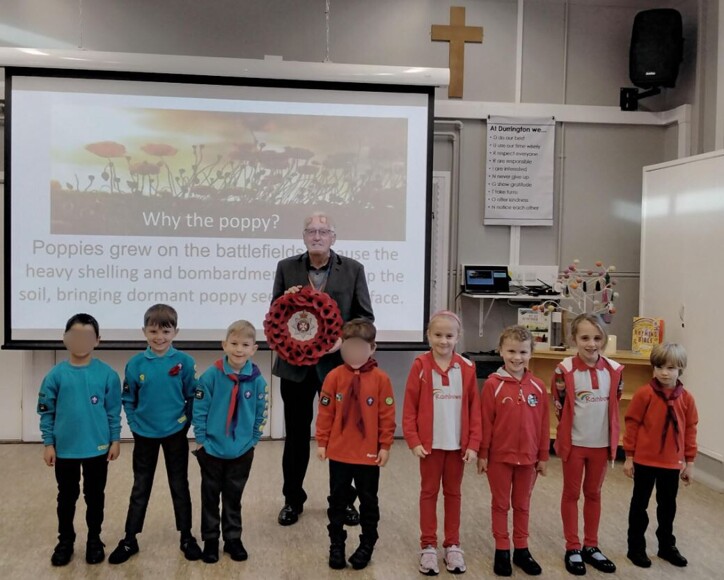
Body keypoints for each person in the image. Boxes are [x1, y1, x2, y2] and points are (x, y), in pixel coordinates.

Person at [272, 211, 374, 526]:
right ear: (304, 236)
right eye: (311, 231)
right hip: (295, 368)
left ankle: (343, 501)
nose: (317, 236)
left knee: (343, 436)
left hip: (338, 367)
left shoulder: (354, 269)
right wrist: (285, 303)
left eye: (323, 231)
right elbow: (275, 314)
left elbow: (365, 317)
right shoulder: (286, 268)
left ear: (333, 237)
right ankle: (292, 500)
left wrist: (342, 340)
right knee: (296, 437)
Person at [109, 304, 202, 564]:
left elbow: (192, 396)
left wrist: (185, 423)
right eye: (153, 331)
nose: (159, 337)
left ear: (175, 332)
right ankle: (130, 539)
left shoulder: (185, 362)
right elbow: (129, 399)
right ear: (144, 332)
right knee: (141, 485)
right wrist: (134, 424)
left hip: (175, 433)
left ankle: (186, 536)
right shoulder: (135, 364)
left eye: (165, 331)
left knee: (179, 484)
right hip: (144, 434)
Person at [38, 313, 121, 566]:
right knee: (66, 496)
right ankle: (65, 541)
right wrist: (48, 443)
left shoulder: (107, 374)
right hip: (65, 450)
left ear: (97, 340)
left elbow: (113, 411)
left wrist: (115, 440)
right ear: (65, 339)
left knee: (95, 496)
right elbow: (46, 412)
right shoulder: (55, 375)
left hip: (97, 448)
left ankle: (94, 540)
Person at [403, 310, 481, 575]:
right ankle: (428, 545)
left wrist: (473, 443)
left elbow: (474, 409)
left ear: (458, 337)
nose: (443, 341)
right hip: (430, 447)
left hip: (457, 447)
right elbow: (410, 407)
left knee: (453, 494)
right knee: (428, 493)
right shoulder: (420, 366)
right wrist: (413, 439)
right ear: (428, 335)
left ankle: (453, 544)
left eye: (449, 335)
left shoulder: (467, 368)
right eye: (438, 334)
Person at [315, 318, 396, 570]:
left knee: (368, 501)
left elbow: (386, 416)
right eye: (349, 348)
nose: (354, 353)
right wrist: (322, 441)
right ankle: (336, 544)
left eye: (360, 348)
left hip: (368, 454)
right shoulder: (333, 376)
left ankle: (367, 544)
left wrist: (385, 446)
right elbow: (325, 412)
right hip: (339, 452)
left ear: (372, 348)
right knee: (337, 500)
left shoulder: (381, 379)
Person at [551, 313, 623, 575]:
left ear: (603, 339)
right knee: (571, 494)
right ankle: (572, 547)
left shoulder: (615, 371)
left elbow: (615, 402)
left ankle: (591, 546)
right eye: (584, 338)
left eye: (597, 338)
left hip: (601, 446)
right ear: (574, 339)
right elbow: (559, 405)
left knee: (594, 494)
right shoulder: (564, 370)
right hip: (574, 445)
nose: (591, 344)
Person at [192, 320, 269, 564]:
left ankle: (233, 539)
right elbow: (199, 409)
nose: (239, 349)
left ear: (253, 349)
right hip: (212, 449)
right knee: (210, 497)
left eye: (245, 345)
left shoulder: (257, 380)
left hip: (242, 450)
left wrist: (253, 439)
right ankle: (210, 540)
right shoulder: (211, 376)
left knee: (233, 497)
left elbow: (261, 411)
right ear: (224, 345)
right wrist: (201, 440)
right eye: (234, 343)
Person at [479, 325, 549, 577]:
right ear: (501, 351)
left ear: (531, 353)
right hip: (499, 458)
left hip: (529, 458)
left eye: (522, 352)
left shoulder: (538, 387)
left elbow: (543, 424)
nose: (517, 357)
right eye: (511, 351)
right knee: (500, 504)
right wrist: (483, 454)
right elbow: (485, 422)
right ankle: (502, 550)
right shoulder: (492, 385)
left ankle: (521, 549)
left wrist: (543, 456)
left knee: (522, 504)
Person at [623, 343, 698, 569]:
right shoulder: (644, 394)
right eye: (659, 367)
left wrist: (690, 462)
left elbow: (690, 430)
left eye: (671, 368)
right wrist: (629, 456)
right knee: (639, 505)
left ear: (680, 369)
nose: (664, 372)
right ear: (653, 368)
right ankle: (635, 547)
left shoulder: (687, 399)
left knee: (667, 507)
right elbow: (632, 425)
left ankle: (666, 546)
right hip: (645, 461)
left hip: (672, 463)